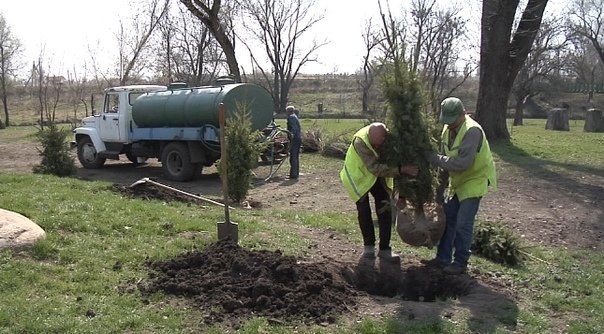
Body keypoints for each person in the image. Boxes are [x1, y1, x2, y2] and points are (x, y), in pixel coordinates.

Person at [424, 97, 497, 274]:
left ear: (462, 114)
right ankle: (442, 259)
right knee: (448, 219)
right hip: (458, 182)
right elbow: (444, 165)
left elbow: (462, 163)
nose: (449, 125)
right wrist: (438, 193)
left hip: (475, 179)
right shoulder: (447, 130)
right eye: (446, 121)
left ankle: (460, 263)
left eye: (452, 121)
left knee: (463, 223)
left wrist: (433, 158)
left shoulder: (472, 131)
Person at [340, 122, 419, 262]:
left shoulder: (389, 139)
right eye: (374, 145)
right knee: (364, 210)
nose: (377, 148)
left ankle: (384, 249)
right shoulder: (360, 142)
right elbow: (375, 168)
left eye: (379, 145)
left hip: (376, 176)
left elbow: (393, 160)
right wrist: (401, 169)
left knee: (384, 208)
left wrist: (401, 193)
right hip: (358, 176)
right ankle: (368, 248)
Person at [286, 105, 301, 179]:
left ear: (289, 111)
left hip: (294, 139)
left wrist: (291, 136)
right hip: (298, 138)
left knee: (293, 156)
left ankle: (294, 174)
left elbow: (294, 129)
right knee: (295, 157)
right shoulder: (294, 116)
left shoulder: (291, 117)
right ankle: (294, 173)